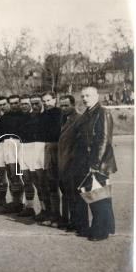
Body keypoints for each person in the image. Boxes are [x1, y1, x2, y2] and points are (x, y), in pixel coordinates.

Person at [72, 87, 117, 241]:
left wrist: (95, 163)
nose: (85, 98)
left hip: (98, 163)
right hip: (85, 161)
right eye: (83, 96)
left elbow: (104, 140)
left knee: (100, 198)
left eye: (88, 95)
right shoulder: (87, 113)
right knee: (91, 196)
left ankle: (101, 231)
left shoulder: (103, 113)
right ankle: (94, 227)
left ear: (97, 96)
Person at [57, 94, 81, 232]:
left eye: (66, 105)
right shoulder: (62, 118)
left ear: (73, 105)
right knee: (65, 192)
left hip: (72, 163)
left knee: (73, 194)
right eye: (61, 105)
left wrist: (73, 161)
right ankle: (65, 219)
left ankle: (76, 221)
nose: (64, 108)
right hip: (62, 161)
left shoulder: (78, 119)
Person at [39, 92, 63, 227]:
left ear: (54, 100)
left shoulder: (60, 113)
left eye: (48, 100)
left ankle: (58, 216)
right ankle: (50, 214)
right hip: (44, 149)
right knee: (47, 183)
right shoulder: (42, 115)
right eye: (44, 101)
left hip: (57, 148)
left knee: (56, 183)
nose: (46, 103)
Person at [16, 95, 41, 220]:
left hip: (34, 148)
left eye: (26, 103)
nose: (24, 106)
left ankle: (43, 209)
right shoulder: (20, 117)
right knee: (26, 179)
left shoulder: (37, 117)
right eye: (22, 104)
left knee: (37, 180)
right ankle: (29, 207)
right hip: (22, 148)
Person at [0, 94, 26, 214]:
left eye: (16, 103)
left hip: (18, 144)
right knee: (10, 174)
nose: (14, 105)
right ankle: (15, 201)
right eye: (12, 104)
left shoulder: (24, 115)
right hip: (7, 144)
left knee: (17, 174)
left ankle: (21, 202)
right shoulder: (6, 116)